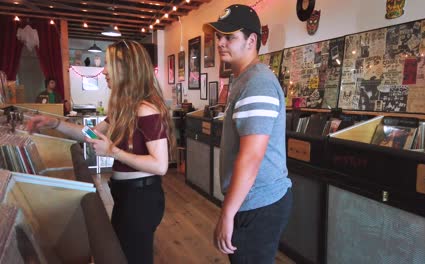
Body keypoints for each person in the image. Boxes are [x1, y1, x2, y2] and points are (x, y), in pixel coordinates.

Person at [27, 40, 174, 264]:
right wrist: (54, 123)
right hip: (126, 194)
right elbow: (91, 134)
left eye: (109, 64)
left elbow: (160, 165)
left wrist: (112, 151)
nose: (104, 71)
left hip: (141, 199)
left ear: (128, 68)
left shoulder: (146, 109)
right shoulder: (125, 108)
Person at [203, 4, 292, 263]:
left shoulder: (258, 82)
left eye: (229, 37)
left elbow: (252, 157)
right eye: (219, 36)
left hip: (260, 203)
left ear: (252, 40)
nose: (220, 42)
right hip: (252, 200)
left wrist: (227, 214)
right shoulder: (244, 79)